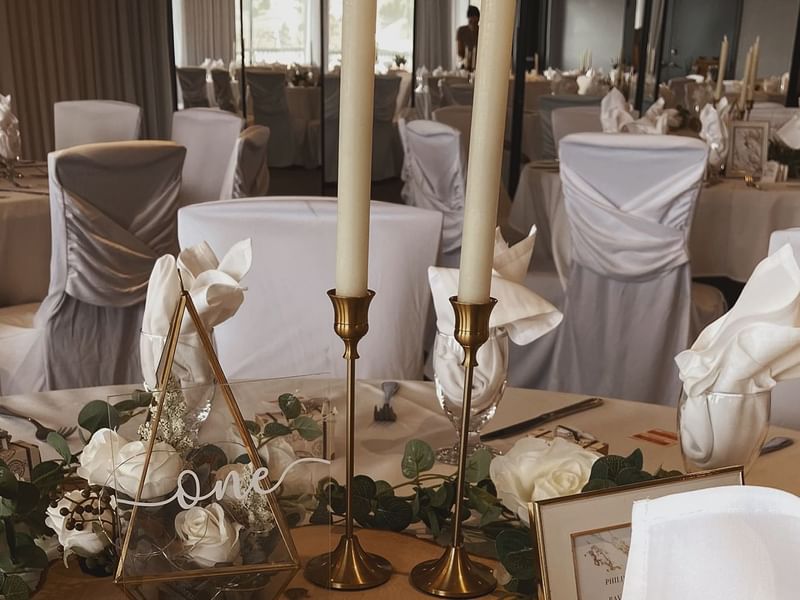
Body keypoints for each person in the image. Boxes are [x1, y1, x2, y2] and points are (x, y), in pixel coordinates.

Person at [456, 5, 480, 71]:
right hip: (464, 67)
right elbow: (459, 52)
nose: (473, 25)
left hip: (478, 66)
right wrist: (466, 58)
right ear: (468, 18)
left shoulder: (481, 32)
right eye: (471, 21)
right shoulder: (461, 31)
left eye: (475, 22)